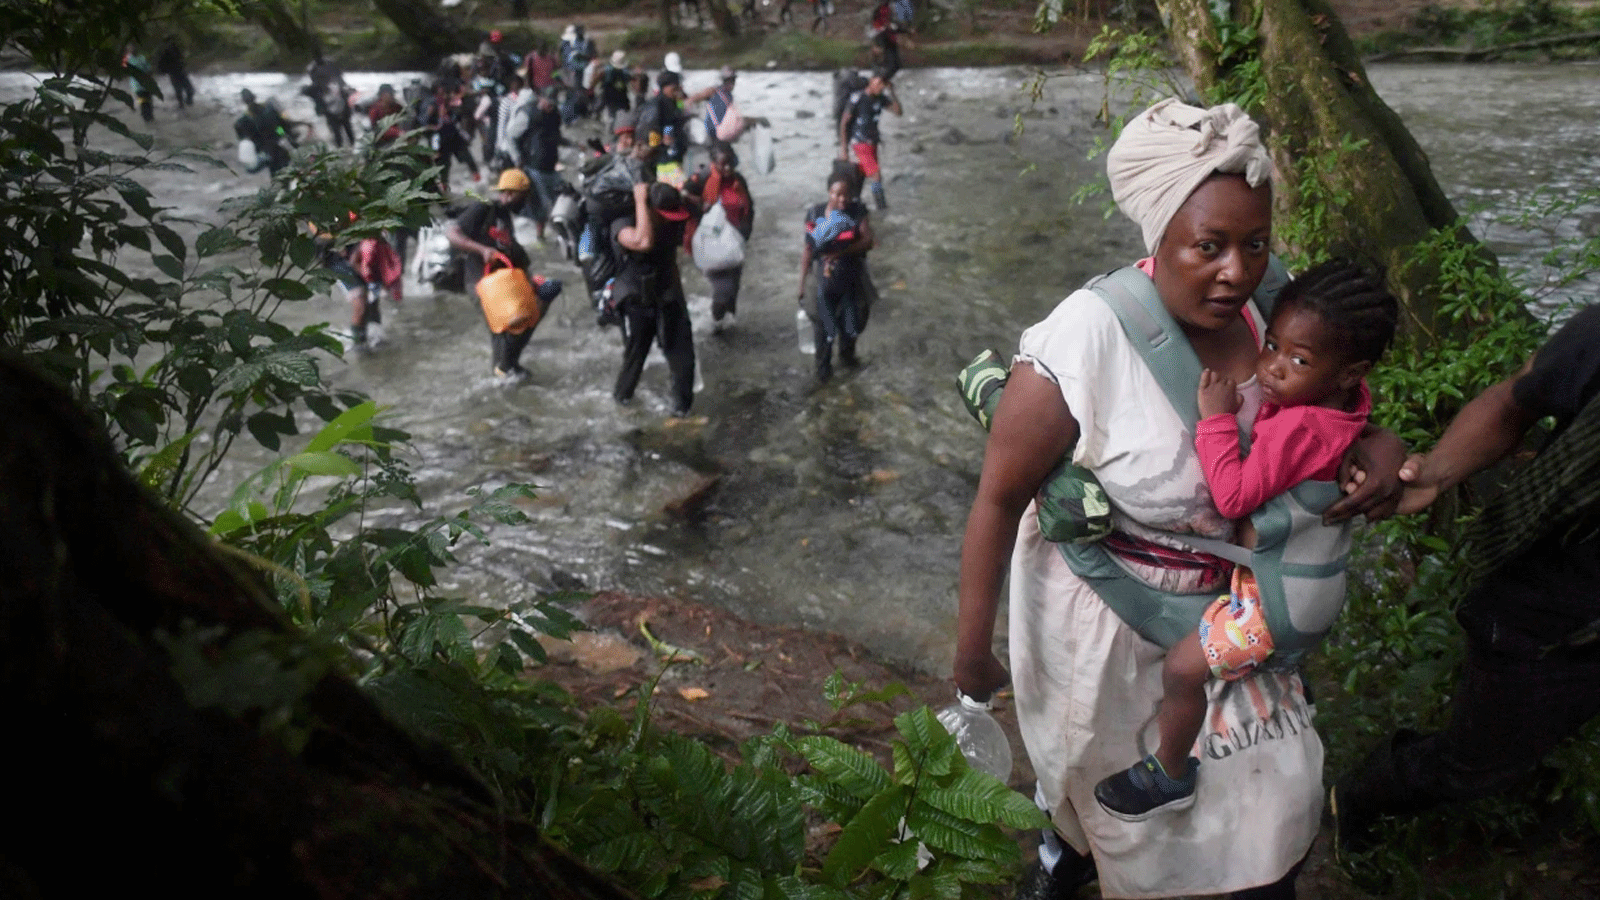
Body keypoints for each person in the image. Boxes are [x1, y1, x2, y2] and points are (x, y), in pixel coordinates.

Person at [951, 98, 1405, 900]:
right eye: (1210, 246)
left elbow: (1338, 401)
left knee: (1271, 815)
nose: (1238, 270)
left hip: (1237, 609)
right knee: (1127, 829)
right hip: (1108, 628)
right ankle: (1066, 860)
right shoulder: (1081, 342)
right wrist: (970, 653)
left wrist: (1379, 444)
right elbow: (996, 501)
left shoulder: (1281, 311)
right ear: (1155, 238)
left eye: (1255, 244)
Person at [1092, 259, 1399, 822]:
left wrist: (1216, 421)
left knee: (1183, 669)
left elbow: (1233, 497)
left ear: (1348, 372)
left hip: (1275, 603)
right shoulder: (1344, 408)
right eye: (1274, 346)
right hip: (1302, 582)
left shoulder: (1296, 428)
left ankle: (1170, 773)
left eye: (1298, 360)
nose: (1275, 369)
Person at [1330, 302, 1600, 858]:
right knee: (1473, 763)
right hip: (1551, 621)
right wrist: (1434, 474)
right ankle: (1356, 799)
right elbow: (1516, 400)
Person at [446, 168, 563, 381]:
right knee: (506, 323)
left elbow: (512, 250)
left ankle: (507, 366)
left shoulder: (504, 217)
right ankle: (503, 369)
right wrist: (482, 250)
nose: (525, 202)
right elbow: (453, 233)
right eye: (522, 197)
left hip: (506, 283)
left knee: (538, 303)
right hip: (481, 282)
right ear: (509, 193)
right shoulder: (484, 208)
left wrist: (530, 279)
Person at [611, 182, 696, 416]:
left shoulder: (673, 222)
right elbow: (643, 242)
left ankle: (681, 413)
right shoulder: (623, 223)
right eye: (664, 216)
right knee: (635, 356)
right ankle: (622, 404)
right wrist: (640, 201)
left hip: (668, 294)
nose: (671, 221)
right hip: (636, 299)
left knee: (683, 356)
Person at [797, 171, 873, 383]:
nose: (843, 199)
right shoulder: (815, 214)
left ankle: (850, 376)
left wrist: (842, 252)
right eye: (837, 194)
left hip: (851, 280)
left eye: (847, 195)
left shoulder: (857, 211)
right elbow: (807, 250)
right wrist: (801, 284)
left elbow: (867, 240)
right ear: (829, 192)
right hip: (822, 282)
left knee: (851, 329)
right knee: (822, 334)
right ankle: (824, 382)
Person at [684, 142, 755, 332]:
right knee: (724, 290)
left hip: (735, 240)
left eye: (731, 163)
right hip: (711, 241)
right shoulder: (703, 178)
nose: (728, 168)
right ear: (714, 163)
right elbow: (682, 195)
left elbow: (749, 207)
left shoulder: (738, 181)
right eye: (723, 164)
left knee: (733, 289)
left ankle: (728, 327)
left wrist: (745, 232)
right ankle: (714, 326)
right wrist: (700, 206)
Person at [838, 71, 901, 211]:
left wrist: (892, 91)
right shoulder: (857, 98)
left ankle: (853, 202)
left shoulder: (880, 98)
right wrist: (844, 149)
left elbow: (898, 112)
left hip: (873, 143)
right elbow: (844, 123)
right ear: (871, 81)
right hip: (859, 143)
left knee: (861, 176)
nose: (880, 88)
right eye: (878, 84)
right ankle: (882, 208)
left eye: (883, 86)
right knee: (876, 175)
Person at [518, 89, 570, 244]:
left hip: (551, 165)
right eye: (548, 103)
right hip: (534, 166)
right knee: (540, 204)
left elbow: (557, 136)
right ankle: (540, 237)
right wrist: (518, 158)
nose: (550, 106)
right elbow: (511, 135)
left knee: (560, 201)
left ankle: (562, 236)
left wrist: (573, 144)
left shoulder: (555, 115)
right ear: (541, 99)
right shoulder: (529, 114)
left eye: (553, 104)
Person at [420, 79, 480, 193]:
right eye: (441, 91)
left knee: (466, 155)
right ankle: (443, 188)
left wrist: (453, 109)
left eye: (444, 91)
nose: (444, 93)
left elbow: (458, 115)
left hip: (453, 134)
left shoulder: (449, 101)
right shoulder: (429, 103)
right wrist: (430, 114)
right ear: (436, 91)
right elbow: (423, 121)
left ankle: (477, 179)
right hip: (439, 137)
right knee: (443, 164)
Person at [235, 88, 300, 176]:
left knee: (276, 173)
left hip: (268, 149)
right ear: (254, 97)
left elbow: (248, 137)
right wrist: (284, 136)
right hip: (278, 145)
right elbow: (279, 127)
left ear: (244, 102)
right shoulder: (268, 109)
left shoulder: (244, 120)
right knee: (284, 169)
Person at [306, 54, 355, 148]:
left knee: (346, 129)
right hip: (331, 110)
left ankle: (348, 148)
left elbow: (344, 88)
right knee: (339, 132)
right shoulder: (317, 88)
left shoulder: (336, 82)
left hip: (340, 107)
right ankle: (343, 149)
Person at [597, 49, 634, 132]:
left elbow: (603, 84)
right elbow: (627, 82)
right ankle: (615, 132)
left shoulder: (607, 69)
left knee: (612, 117)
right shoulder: (624, 72)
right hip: (619, 98)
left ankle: (611, 132)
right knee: (618, 116)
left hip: (610, 97)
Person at [154, 38, 195, 110]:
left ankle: (185, 103)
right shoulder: (164, 51)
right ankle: (182, 105)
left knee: (186, 89)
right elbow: (160, 64)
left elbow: (180, 58)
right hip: (174, 72)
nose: (171, 42)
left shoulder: (174, 48)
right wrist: (163, 71)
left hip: (179, 71)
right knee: (181, 90)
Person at [124, 46, 154, 123]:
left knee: (149, 102)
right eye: (131, 49)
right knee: (143, 103)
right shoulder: (127, 59)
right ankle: (147, 120)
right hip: (137, 86)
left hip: (147, 85)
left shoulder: (142, 58)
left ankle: (150, 119)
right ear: (129, 51)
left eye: (134, 48)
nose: (133, 50)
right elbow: (123, 70)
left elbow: (149, 69)